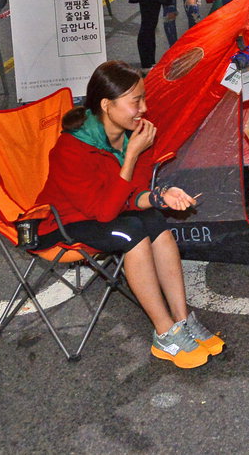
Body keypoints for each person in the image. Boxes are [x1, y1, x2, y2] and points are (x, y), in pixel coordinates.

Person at [36, 60, 224, 369]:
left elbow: (132, 196)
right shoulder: (72, 148)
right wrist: (132, 155)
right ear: (107, 105)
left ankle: (182, 319)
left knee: (155, 223)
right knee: (133, 235)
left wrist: (161, 197)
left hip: (105, 212)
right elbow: (106, 211)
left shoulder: (131, 135)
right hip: (62, 222)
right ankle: (164, 333)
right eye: (136, 100)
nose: (144, 108)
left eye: (144, 99)